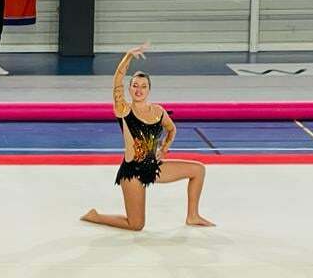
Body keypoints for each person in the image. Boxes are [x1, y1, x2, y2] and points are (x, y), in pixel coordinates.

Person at [81, 43, 215, 230]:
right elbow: (117, 81)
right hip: (133, 172)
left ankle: (193, 216)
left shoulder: (158, 111)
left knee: (198, 170)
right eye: (135, 85)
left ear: (149, 90)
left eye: (143, 86)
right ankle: (95, 216)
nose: (139, 89)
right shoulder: (124, 109)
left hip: (153, 167)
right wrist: (128, 56)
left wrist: (164, 148)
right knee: (136, 225)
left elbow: (172, 129)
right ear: (130, 89)